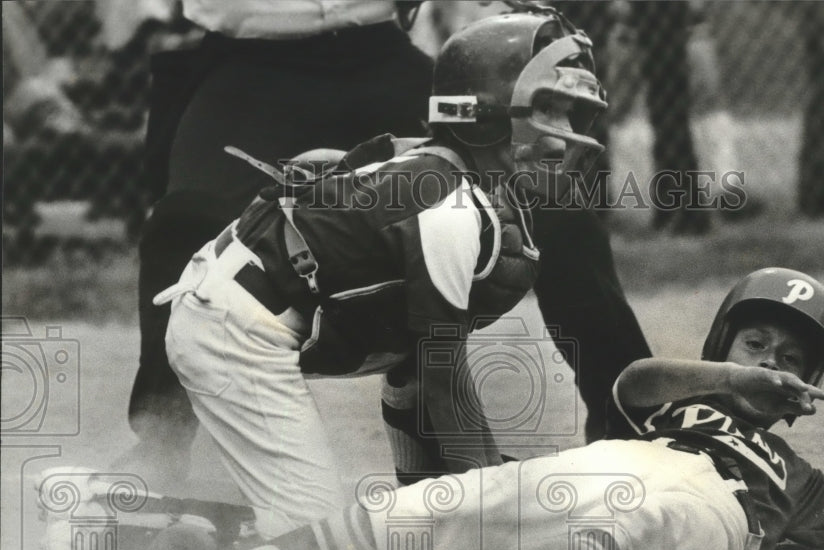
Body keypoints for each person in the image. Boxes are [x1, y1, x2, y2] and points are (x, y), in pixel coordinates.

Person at [41, 267, 824, 550]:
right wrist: (733, 381)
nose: (770, 354)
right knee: (435, 510)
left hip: (707, 512)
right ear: (723, 350)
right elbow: (635, 379)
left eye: (790, 354)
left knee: (624, 529)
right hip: (609, 466)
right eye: (756, 338)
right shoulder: (672, 405)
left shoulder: (804, 481)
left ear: (808, 388)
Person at [122, 0, 651, 489]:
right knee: (184, 218)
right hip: (250, 67)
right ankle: (161, 443)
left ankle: (630, 420)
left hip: (380, 50)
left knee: (553, 206)